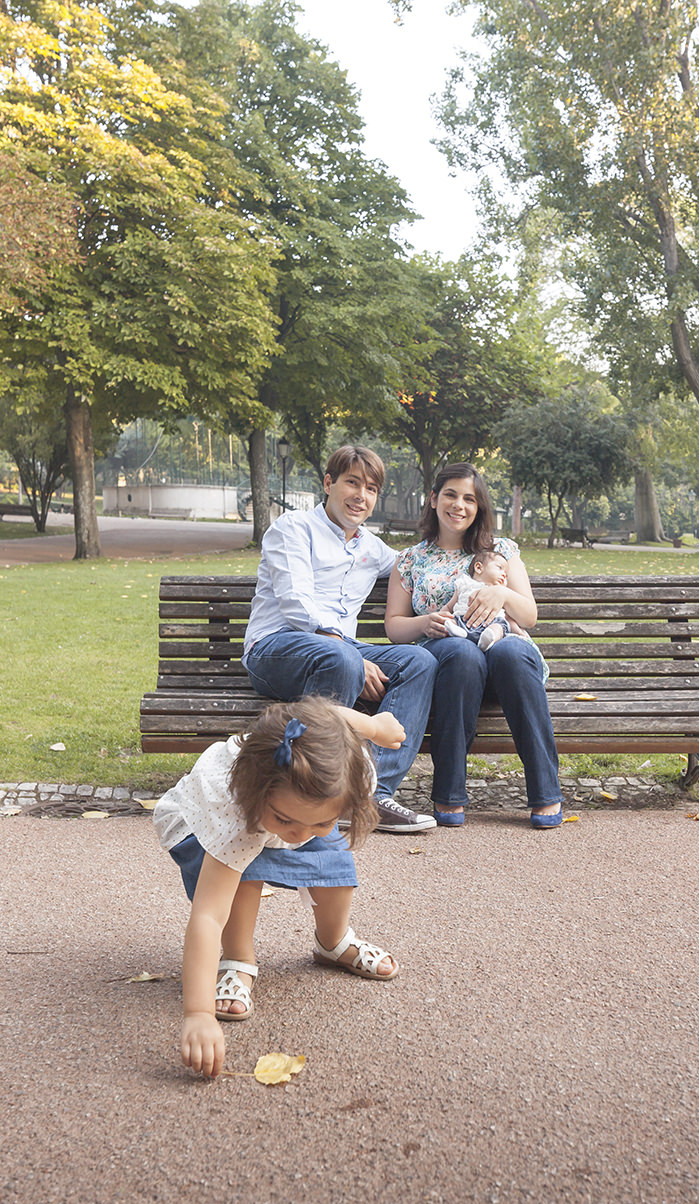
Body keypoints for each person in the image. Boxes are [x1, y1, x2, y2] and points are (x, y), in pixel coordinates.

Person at [155, 696, 401, 1079]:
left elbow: (330, 717)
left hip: (288, 803)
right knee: (242, 880)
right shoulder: (234, 812)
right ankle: (238, 960)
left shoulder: (345, 772)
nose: (299, 835)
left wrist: (373, 728)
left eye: (320, 822)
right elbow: (207, 914)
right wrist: (198, 1014)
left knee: (334, 864)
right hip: (211, 821)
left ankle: (333, 942)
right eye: (287, 820)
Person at [241, 444, 438, 832]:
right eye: (352, 483)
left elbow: (416, 567)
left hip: (339, 652)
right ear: (328, 483)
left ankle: (371, 794)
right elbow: (297, 604)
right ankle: (314, 789)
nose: (360, 496)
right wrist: (345, 651)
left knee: (419, 662)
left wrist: (486, 576)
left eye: (371, 489)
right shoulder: (293, 528)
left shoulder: (373, 548)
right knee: (343, 659)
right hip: (276, 648)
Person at [384, 461, 563, 830]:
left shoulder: (502, 551)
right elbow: (394, 627)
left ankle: (546, 793)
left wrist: (501, 591)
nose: (459, 505)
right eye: (450, 495)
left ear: (479, 506)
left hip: (505, 663)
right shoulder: (410, 560)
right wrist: (425, 622)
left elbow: (528, 616)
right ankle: (449, 794)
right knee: (463, 652)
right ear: (433, 499)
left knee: (513, 650)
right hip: (449, 658)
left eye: (469, 498)